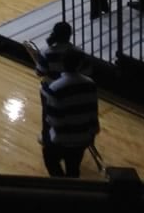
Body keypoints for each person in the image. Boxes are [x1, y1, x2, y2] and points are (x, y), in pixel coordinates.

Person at [39, 48, 99, 178]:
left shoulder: (55, 88)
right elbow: (93, 115)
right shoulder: (90, 84)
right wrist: (91, 137)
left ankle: (60, 185)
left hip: (61, 139)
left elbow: (52, 119)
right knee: (74, 169)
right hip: (82, 138)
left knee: (51, 161)